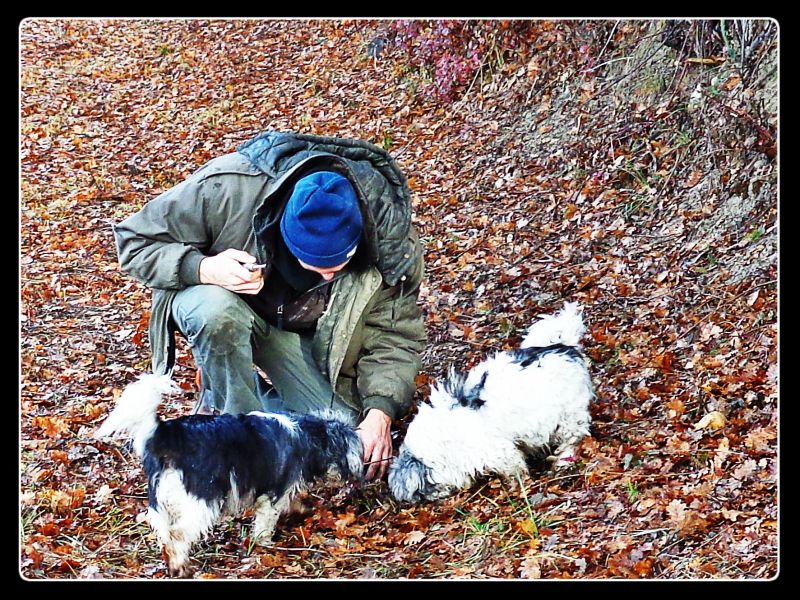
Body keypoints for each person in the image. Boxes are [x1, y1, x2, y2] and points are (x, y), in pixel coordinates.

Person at [113, 130, 427, 480]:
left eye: (339, 264)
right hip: (224, 307)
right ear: (286, 234)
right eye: (314, 264)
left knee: (342, 436)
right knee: (215, 312)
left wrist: (380, 413)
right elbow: (134, 241)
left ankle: (240, 393)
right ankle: (237, 441)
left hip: (303, 337)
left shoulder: (389, 243)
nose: (327, 275)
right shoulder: (229, 188)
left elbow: (394, 335)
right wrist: (203, 268)